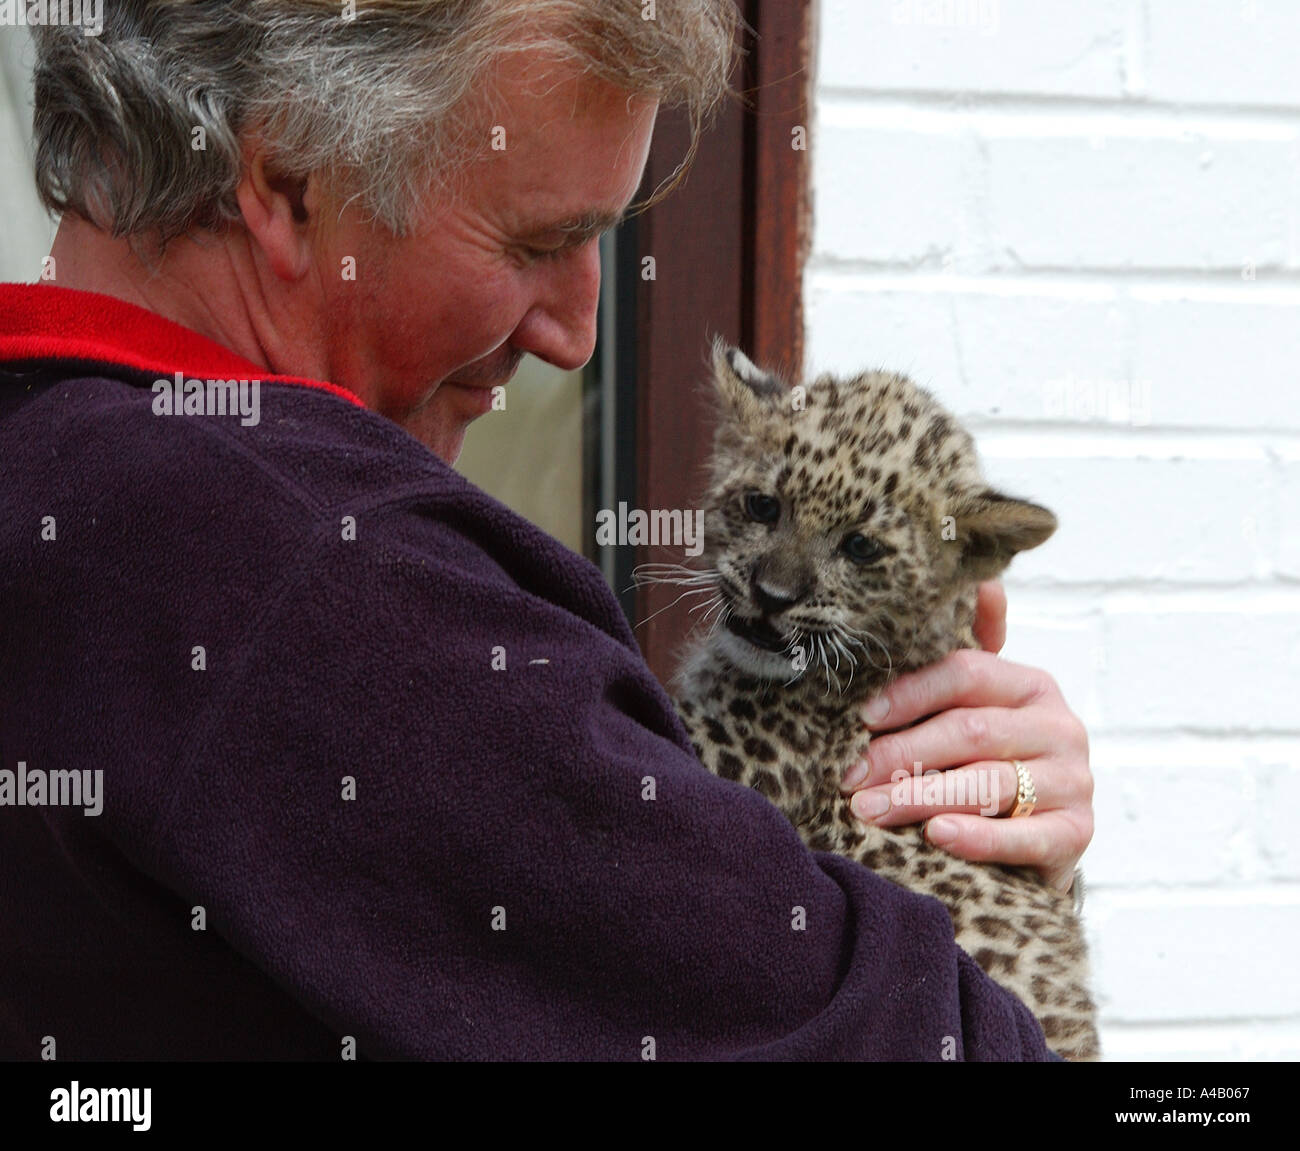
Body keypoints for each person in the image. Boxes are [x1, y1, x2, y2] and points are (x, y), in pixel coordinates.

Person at [0, 0, 1091, 1060]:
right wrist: (992, 889)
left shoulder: (50, 460)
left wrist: (974, 815)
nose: (578, 332)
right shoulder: (317, 573)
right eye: (536, 240)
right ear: (285, 182)